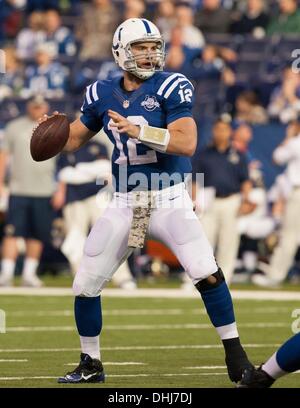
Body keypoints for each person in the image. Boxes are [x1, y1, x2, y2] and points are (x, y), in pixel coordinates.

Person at [38, 18, 253, 384]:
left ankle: (238, 357)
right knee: (85, 284)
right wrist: (52, 133)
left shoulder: (172, 85)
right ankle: (91, 363)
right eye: (141, 46)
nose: (150, 53)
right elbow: (74, 139)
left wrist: (141, 130)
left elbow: (186, 143)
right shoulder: (101, 92)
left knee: (205, 272)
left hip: (169, 198)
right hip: (124, 201)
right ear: (121, 51)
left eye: (154, 45)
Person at [0, 96, 58, 287]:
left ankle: (28, 274)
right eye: (34, 106)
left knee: (38, 234)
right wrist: (0, 183)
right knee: (12, 232)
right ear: (28, 107)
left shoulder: (53, 127)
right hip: (18, 188)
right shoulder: (15, 127)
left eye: (40, 106)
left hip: (44, 190)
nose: (37, 110)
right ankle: (6, 274)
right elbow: (4, 156)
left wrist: (59, 188)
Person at [192, 118, 252, 283]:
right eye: (218, 129)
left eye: (224, 129)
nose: (221, 133)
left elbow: (246, 180)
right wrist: (194, 200)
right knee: (203, 241)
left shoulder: (238, 154)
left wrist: (246, 200)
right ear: (213, 131)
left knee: (229, 242)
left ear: (230, 132)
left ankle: (225, 279)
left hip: (231, 200)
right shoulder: (204, 153)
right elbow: (196, 179)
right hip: (208, 201)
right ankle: (198, 278)